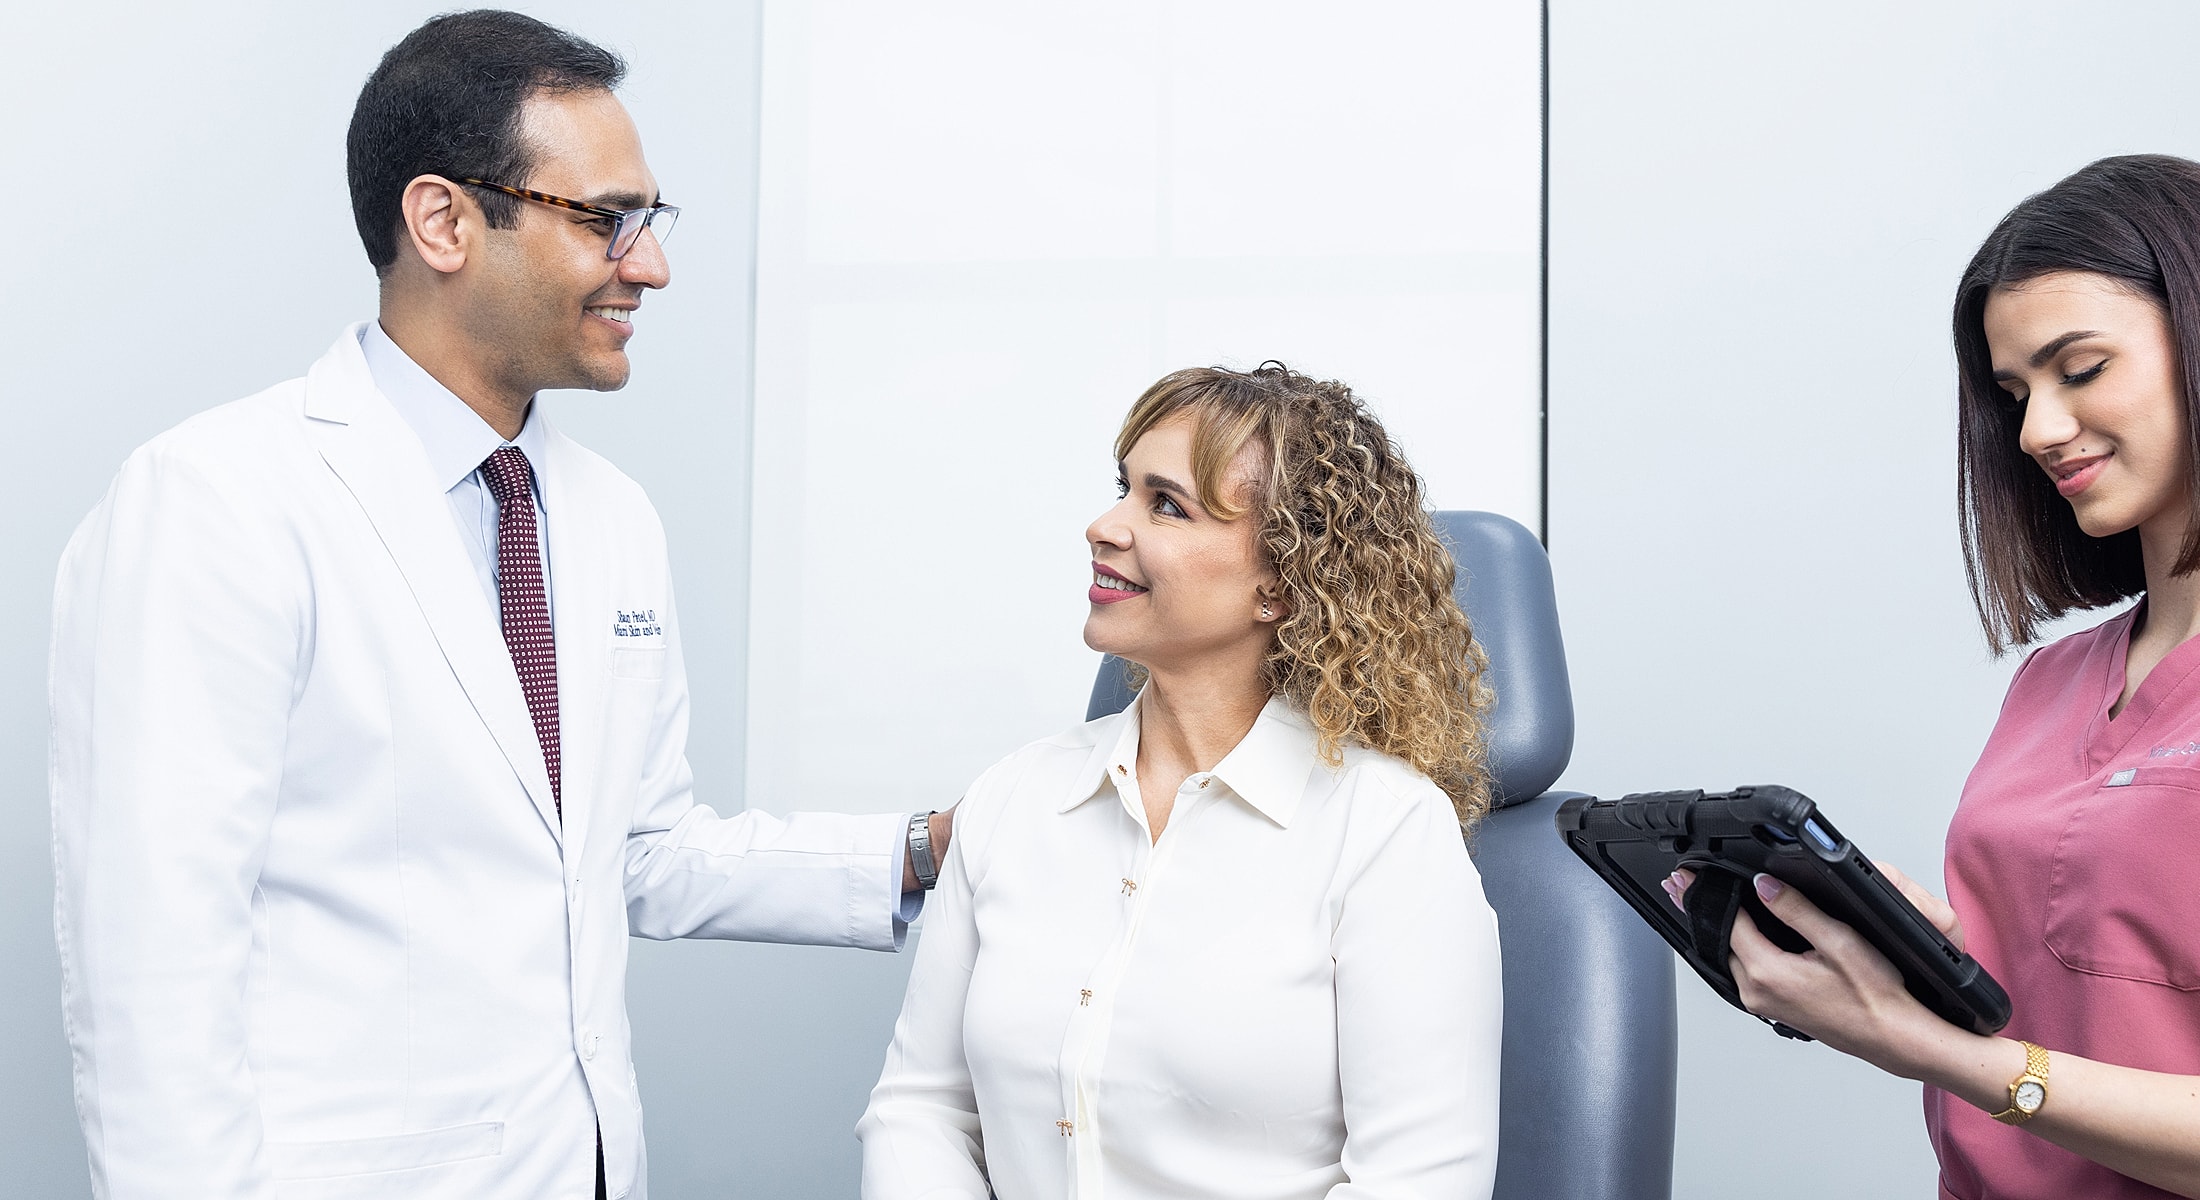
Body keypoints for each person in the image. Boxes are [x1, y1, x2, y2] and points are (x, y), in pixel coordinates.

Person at [48, 12, 948, 1199]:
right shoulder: (218, 500)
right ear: (443, 222)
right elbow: (149, 954)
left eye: (650, 221)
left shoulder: (610, 515)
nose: (650, 266)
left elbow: (635, 851)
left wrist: (926, 852)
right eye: (604, 220)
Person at [1670, 154, 2200, 1199]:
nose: (2037, 430)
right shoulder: (2050, 684)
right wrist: (1892, 973)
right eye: (2015, 393)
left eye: (2080, 369)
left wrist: (1940, 1053)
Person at [856, 363, 1504, 1199]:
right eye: (1122, 489)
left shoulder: (1388, 833)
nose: (1103, 526)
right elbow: (921, 1110)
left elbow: (1418, 1180)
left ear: (1280, 583)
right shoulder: (1015, 796)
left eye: (1166, 505)